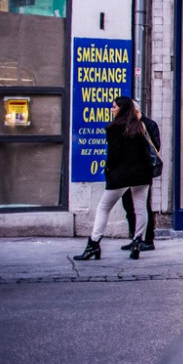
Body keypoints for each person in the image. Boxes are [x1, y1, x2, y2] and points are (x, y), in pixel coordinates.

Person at [73, 96, 153, 260]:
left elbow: (113, 154)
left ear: (121, 109)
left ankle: (94, 243)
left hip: (121, 174)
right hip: (142, 173)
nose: (112, 109)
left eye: (114, 107)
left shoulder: (114, 128)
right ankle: (137, 240)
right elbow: (146, 150)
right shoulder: (140, 126)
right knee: (140, 208)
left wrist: (108, 171)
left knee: (104, 207)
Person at [120, 100, 160, 252]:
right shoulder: (126, 125)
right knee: (128, 205)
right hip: (127, 172)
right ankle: (134, 237)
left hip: (142, 171)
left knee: (143, 206)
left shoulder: (149, 124)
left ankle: (148, 240)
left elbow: (155, 148)